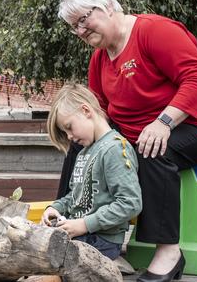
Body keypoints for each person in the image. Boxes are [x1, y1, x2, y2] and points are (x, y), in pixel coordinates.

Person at [56, 0, 197, 282]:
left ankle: (169, 252)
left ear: (108, 6)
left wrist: (164, 122)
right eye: (74, 27)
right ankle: (67, 229)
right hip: (141, 132)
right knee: (80, 146)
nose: (81, 31)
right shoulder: (99, 59)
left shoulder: (154, 31)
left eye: (84, 20)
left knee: (151, 148)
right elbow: (99, 111)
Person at [41, 83, 142, 260]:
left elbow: (130, 203)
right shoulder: (84, 152)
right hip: (80, 233)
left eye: (69, 127)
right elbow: (75, 197)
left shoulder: (114, 149)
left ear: (86, 111)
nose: (69, 136)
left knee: (44, 256)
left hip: (101, 240)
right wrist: (54, 208)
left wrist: (85, 224)